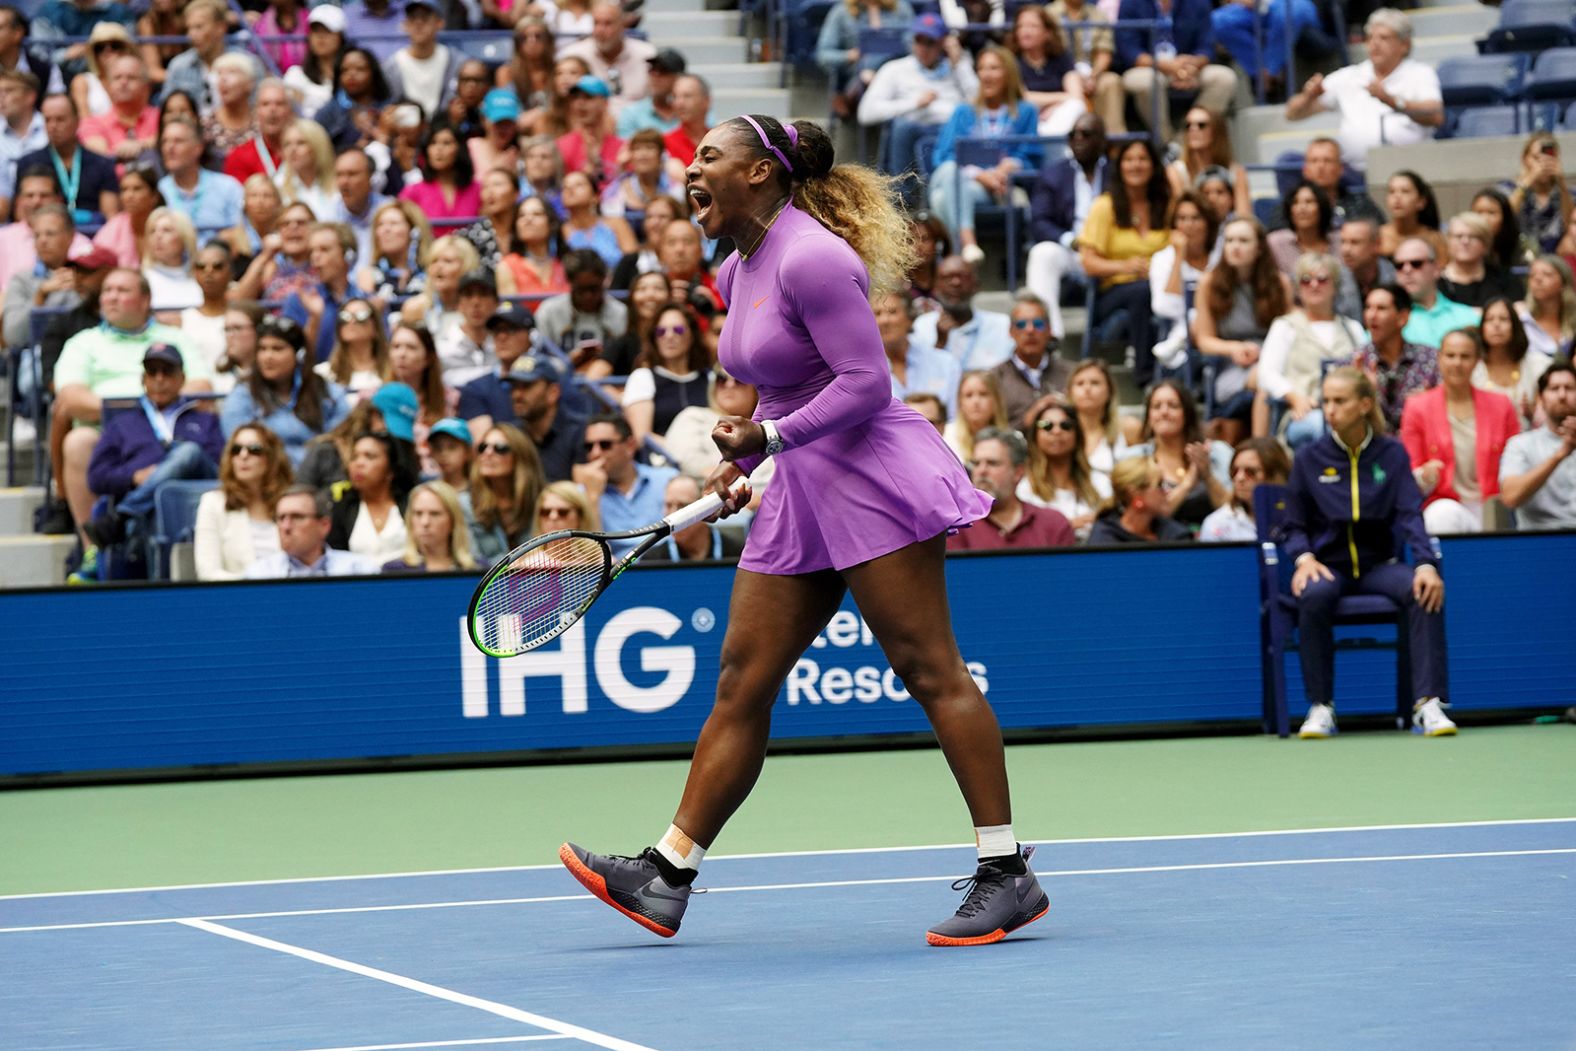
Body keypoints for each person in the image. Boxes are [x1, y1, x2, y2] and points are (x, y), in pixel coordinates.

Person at [560, 113, 1049, 948]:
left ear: (758, 174)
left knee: (930, 669)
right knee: (742, 679)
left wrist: (771, 440)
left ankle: (1007, 871)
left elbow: (866, 381)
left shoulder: (815, 256)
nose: (691, 168)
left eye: (708, 155)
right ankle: (668, 873)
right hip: (800, 487)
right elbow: (773, 385)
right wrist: (745, 456)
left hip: (870, 479)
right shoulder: (737, 266)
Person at [1284, 366, 1456, 738]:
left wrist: (1425, 564)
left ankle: (1428, 704)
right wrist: (1304, 558)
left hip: (1380, 567)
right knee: (1312, 595)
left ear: (1364, 405)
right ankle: (1320, 706)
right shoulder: (1308, 459)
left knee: (1423, 590)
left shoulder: (1391, 455)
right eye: (1326, 401)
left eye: (1339, 401)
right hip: (1329, 568)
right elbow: (1291, 526)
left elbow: (1411, 514)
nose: (1330, 409)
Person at [82, 343, 225, 549]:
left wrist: (174, 465)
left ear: (181, 379)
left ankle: (123, 516)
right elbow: (96, 477)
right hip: (152, 511)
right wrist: (133, 477)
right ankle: (134, 517)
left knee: (188, 451)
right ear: (143, 379)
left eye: (167, 372)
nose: (159, 379)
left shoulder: (205, 419)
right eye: (152, 372)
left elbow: (222, 464)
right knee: (161, 498)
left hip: (198, 496)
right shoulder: (122, 424)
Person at [1283, 8, 1441, 173]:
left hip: (1408, 171)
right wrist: (1308, 96)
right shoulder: (1348, 76)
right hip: (1353, 172)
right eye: (1370, 37)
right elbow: (1292, 114)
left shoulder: (1420, 73)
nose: (1375, 43)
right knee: (1288, 162)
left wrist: (1391, 101)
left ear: (1404, 45)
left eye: (1384, 37)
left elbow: (1436, 116)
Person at [926, 45, 1041, 262]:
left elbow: (1032, 156)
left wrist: (1010, 165)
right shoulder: (964, 111)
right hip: (959, 177)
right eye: (981, 69)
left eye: (993, 68)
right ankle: (968, 242)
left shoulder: (1026, 111)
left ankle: (957, 259)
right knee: (951, 170)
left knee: (941, 200)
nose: (986, 75)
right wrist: (978, 174)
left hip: (994, 187)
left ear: (1009, 73)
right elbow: (943, 156)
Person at [1400, 328, 1519, 535]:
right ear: (1439, 358)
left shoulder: (1502, 405)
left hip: (1493, 507)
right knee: (1442, 515)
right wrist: (1425, 475)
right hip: (1444, 503)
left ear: (1477, 361)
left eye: (1465, 356)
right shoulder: (1417, 407)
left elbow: (1517, 461)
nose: (1457, 363)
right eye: (1450, 355)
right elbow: (1411, 471)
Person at [1078, 137, 1170, 385]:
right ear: (1119, 167)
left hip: (1161, 286)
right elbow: (1088, 263)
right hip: (1113, 292)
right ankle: (1146, 375)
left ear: (1154, 166)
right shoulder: (1104, 206)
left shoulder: (1166, 205)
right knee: (1141, 292)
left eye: (1142, 159)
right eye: (1129, 160)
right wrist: (1125, 266)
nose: (1136, 165)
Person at [1194, 217, 1291, 443]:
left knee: (1268, 379)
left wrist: (1268, 353)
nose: (1235, 246)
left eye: (1243, 240)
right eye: (1229, 240)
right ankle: (1262, 450)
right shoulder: (1209, 283)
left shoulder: (1280, 283)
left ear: (1259, 248)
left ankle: (1265, 447)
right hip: (1231, 366)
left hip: (1273, 358)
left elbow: (1290, 331)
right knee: (1267, 378)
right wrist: (1234, 348)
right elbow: (1204, 339)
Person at [1255, 251, 1365, 447]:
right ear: (1298, 288)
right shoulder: (1285, 326)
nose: (1314, 285)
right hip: (1304, 412)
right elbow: (1267, 374)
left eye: (1322, 279)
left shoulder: (1352, 328)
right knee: (1321, 426)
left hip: (1349, 413)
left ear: (1335, 285)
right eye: (1306, 280)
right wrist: (1294, 397)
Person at [856, 14, 978, 184]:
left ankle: (939, 194)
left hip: (949, 129)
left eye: (930, 42)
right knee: (902, 127)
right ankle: (903, 198)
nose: (923, 48)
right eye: (919, 40)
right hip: (910, 129)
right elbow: (866, 113)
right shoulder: (895, 69)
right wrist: (914, 104)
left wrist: (959, 64)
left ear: (943, 43)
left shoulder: (958, 68)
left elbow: (980, 105)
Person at [220, 314, 350, 466]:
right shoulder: (242, 395)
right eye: (262, 349)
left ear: (298, 355)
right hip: (264, 478)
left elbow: (339, 441)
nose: (268, 356)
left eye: (277, 349)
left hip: (318, 477)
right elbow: (243, 449)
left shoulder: (328, 393)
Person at [1103, 0, 1236, 141]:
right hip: (1147, 68)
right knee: (1148, 81)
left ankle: (1186, 138)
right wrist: (1167, 66)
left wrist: (1193, 65)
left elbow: (1207, 45)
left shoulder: (1198, 2)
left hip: (1189, 66)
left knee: (1224, 78)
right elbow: (1129, 50)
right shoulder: (1131, 3)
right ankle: (1167, 143)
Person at [1024, 112, 1106, 339]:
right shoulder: (1053, 174)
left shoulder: (1117, 173)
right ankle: (1049, 336)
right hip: (1073, 248)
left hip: (1110, 251)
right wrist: (1071, 240)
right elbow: (1039, 221)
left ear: (1102, 140)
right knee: (1042, 253)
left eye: (1086, 134)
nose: (1078, 139)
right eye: (1073, 135)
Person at [1123, 380, 1232, 531]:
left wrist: (1207, 476)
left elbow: (1236, 513)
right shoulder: (1134, 458)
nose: (1164, 412)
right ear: (1148, 416)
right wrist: (1187, 484)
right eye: (1156, 406)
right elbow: (1139, 521)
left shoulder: (1218, 453)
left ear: (1187, 413)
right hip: (1158, 546)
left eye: (1173, 406)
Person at [944, 426, 1074, 550]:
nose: (981, 471)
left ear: (1018, 472)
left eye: (992, 463)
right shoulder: (957, 527)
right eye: (976, 463)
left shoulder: (1053, 524)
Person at [193, 422, 292, 581]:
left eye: (254, 450)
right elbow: (208, 573)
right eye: (236, 450)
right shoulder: (212, 503)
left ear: (272, 457)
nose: (243, 455)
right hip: (237, 598)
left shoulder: (290, 503)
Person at [1018, 396, 1111, 539]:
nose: (1056, 431)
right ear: (1035, 435)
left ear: (1077, 434)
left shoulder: (1100, 482)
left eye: (1066, 425)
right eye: (1046, 425)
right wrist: (1067, 527)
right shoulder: (1024, 487)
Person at [1148, 189, 1218, 377]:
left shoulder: (1220, 257)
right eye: (1182, 218)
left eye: (1196, 218)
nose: (1188, 225)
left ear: (1208, 223)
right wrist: (1179, 256)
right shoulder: (1163, 259)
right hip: (1184, 348)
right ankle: (1181, 339)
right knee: (1195, 314)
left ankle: (1179, 340)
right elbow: (1165, 308)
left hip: (1222, 330)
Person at [1499, 362, 1576, 530]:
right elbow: (1510, 497)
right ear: (1541, 398)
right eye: (1554, 388)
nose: (1562, 395)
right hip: (1538, 542)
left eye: (1569, 388)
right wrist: (1560, 454)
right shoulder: (1521, 445)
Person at [1351, 282, 1436, 434]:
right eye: (1368, 307)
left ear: (1402, 317)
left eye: (1381, 308)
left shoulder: (1430, 359)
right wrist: (1368, 393)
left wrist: (1430, 401)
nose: (1372, 315)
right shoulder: (1355, 362)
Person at [622, 302, 711, 446]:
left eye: (678, 329)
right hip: (663, 462)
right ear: (654, 338)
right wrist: (686, 457)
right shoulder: (643, 378)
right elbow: (643, 437)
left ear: (692, 334)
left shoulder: (710, 378)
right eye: (661, 331)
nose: (669, 336)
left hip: (711, 459)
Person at [282, 222, 369, 364]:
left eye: (324, 250)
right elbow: (293, 362)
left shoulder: (367, 302)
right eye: (312, 251)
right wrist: (315, 319)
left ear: (348, 255)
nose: (315, 257)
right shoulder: (298, 301)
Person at [22, 94, 117, 223]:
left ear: (77, 121)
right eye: (47, 120)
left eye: (60, 119)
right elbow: (22, 215)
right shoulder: (28, 163)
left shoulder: (102, 164)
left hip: (94, 235)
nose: (53, 126)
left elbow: (110, 216)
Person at [245, 484, 376, 578]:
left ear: (324, 525)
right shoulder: (260, 574)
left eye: (297, 517)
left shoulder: (359, 570)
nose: (286, 527)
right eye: (281, 518)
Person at [326, 430, 417, 563]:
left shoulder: (412, 504)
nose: (359, 463)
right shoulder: (342, 508)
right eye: (354, 457)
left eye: (370, 456)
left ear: (391, 470)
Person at [910, 254, 1011, 371]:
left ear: (976, 285)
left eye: (963, 277)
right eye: (947, 277)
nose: (955, 283)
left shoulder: (1002, 326)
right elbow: (918, 380)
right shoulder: (922, 326)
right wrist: (940, 344)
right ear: (935, 287)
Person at [160, 0, 262, 113]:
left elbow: (259, 109)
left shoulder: (248, 64)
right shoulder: (178, 67)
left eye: (198, 27)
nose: (191, 35)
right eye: (189, 28)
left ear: (220, 27)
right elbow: (166, 112)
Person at [462, 421, 542, 563]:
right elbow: (470, 560)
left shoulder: (543, 502)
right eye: (483, 447)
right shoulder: (464, 505)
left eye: (500, 448)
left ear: (520, 456)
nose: (488, 453)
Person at [557, 0, 657, 113]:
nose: (600, 30)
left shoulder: (647, 55)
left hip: (638, 125)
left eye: (608, 23)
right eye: (596, 23)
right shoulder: (573, 55)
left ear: (622, 26)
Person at [3, 203, 79, 347]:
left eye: (50, 233)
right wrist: (40, 296)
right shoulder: (21, 280)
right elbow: (13, 337)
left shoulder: (86, 276)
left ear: (71, 237)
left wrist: (81, 288)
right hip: (34, 361)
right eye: (37, 235)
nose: (42, 241)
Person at [875, 290, 960, 417]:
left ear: (910, 318)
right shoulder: (862, 371)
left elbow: (954, 420)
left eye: (892, 312)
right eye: (877, 313)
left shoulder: (945, 363)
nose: (884, 320)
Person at [987, 291, 1068, 424]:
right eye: (1021, 324)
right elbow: (989, 430)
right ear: (1011, 331)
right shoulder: (994, 378)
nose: (1030, 330)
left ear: (1049, 330)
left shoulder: (1070, 375)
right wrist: (1028, 420)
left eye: (1038, 324)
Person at [154, 115, 241, 231]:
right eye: (165, 141)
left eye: (178, 141)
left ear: (198, 148)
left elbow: (242, 237)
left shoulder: (228, 188)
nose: (169, 148)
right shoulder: (158, 192)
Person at [1007, 6, 1083, 137]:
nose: (1025, 31)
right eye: (1021, 26)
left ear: (1048, 33)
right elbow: (1022, 97)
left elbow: (1076, 95)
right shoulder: (1011, 60)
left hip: (1059, 118)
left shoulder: (1062, 57)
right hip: (1024, 119)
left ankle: (1047, 139)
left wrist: (1054, 109)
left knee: (1077, 106)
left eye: (1033, 26)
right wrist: (1062, 98)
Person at [1392, 237, 1480, 351]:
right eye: (1399, 265)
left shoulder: (1470, 317)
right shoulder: (1385, 321)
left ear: (1436, 269)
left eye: (1416, 263)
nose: (1407, 269)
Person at [535, 247, 628, 353]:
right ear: (570, 283)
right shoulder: (548, 311)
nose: (588, 296)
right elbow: (541, 356)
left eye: (594, 289)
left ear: (604, 281)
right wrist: (568, 362)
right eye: (581, 290)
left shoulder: (620, 313)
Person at [379, 0, 457, 124]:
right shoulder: (391, 66)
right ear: (405, 25)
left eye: (425, 17)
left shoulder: (457, 62)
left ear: (440, 23)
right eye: (412, 17)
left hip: (444, 131)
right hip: (405, 131)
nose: (418, 23)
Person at [639, 474, 747, 562]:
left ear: (706, 508)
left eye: (683, 506)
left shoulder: (739, 554)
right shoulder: (652, 560)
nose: (673, 514)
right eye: (668, 505)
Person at [1198, 438, 1289, 542]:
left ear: (1274, 476)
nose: (1239, 478)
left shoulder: (1297, 518)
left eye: (1250, 472)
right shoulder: (1216, 523)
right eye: (1235, 471)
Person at [1086, 456, 1193, 544]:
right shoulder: (1104, 540)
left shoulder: (1175, 534)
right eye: (1160, 485)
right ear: (1135, 493)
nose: (1167, 491)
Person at [1165, 107, 1250, 217]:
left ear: (1217, 130)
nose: (1193, 129)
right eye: (1188, 125)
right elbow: (1180, 215)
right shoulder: (1175, 172)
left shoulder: (1236, 172)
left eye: (1201, 125)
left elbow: (1244, 217)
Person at [398, 125, 481, 236]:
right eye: (433, 143)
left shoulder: (478, 190)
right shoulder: (412, 192)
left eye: (446, 143)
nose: (439, 149)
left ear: (460, 149)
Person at [77, 54, 157, 169]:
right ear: (108, 86)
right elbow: (99, 158)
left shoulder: (161, 117)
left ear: (146, 86)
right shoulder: (92, 123)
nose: (123, 82)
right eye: (117, 78)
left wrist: (141, 145)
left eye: (131, 77)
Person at [313, 46, 396, 153]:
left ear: (374, 73)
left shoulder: (390, 109)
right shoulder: (327, 113)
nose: (351, 75)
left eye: (360, 69)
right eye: (345, 70)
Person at [383, 480, 478, 573]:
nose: (425, 522)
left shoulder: (477, 569)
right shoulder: (393, 571)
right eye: (418, 513)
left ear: (453, 520)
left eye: (434, 514)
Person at [1504, 132, 1572, 257]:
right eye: (1536, 158)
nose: (1543, 164)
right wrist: (1528, 180)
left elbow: (1570, 224)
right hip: (1517, 260)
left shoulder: (1567, 194)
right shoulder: (1508, 189)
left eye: (1550, 157)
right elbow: (1504, 216)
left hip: (1557, 264)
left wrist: (1562, 183)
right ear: (1524, 159)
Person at [1438, 212, 1521, 309]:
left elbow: (1518, 313)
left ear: (1486, 244)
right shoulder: (1434, 281)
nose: (1465, 241)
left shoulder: (1505, 279)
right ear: (1448, 241)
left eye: (1473, 236)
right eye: (1458, 236)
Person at [359, 199, 431, 305]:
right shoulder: (369, 275)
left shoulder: (431, 273)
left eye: (394, 223)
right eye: (380, 224)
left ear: (414, 231)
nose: (385, 229)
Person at [220, 78, 291, 187]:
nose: (272, 109)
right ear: (256, 111)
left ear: (290, 111)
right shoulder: (239, 157)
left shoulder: (306, 150)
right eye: (265, 104)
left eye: (279, 104)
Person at [316, 298, 392, 400]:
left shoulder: (394, 371)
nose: (351, 322)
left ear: (376, 327)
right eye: (345, 317)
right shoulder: (322, 374)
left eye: (361, 316)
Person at [1066, 358, 1130, 473]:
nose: (1087, 388)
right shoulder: (1059, 431)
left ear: (1109, 391)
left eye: (1095, 383)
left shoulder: (1128, 428)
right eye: (1080, 384)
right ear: (1070, 392)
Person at [283, 5, 346, 119]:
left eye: (327, 31)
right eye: (315, 31)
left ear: (340, 37)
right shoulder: (295, 74)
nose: (320, 37)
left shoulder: (349, 76)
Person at [199, 53, 262, 166]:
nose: (223, 79)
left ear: (250, 83)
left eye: (232, 72)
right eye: (219, 74)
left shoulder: (262, 123)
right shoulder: (205, 124)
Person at [139, 205, 202, 315]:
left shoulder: (202, 276)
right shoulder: (141, 281)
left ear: (185, 237)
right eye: (152, 231)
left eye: (167, 230)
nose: (158, 236)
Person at [0, 69, 45, 220]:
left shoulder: (51, 129)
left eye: (9, 90)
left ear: (30, 97)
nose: (2, 97)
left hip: (45, 213)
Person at [1266, 181, 1331, 282]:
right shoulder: (1275, 242)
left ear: (1322, 207)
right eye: (1295, 202)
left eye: (1309, 202)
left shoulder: (1340, 240)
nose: (1302, 208)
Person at [275, 118, 339, 221]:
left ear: (317, 146)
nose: (293, 150)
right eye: (287, 144)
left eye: (301, 143)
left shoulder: (339, 183)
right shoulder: (278, 186)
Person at [1515, 255, 1576, 362]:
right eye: (1532, 275)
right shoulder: (1520, 317)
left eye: (1547, 274)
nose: (1538, 279)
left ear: (1563, 282)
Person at [1333, 218, 1394, 322]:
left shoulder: (1395, 277)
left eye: (1355, 242)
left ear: (1376, 244)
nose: (1346, 250)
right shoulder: (1334, 281)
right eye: (1343, 242)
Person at [1378, 170, 1447, 263]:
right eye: (1392, 191)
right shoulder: (1378, 237)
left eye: (1405, 191)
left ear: (1421, 201)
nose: (1397, 197)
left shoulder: (1435, 239)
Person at [178, 241, 232, 357]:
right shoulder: (182, 319)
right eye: (201, 267)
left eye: (217, 267)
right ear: (194, 273)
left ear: (231, 272)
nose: (208, 272)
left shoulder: (243, 317)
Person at [944, 368, 1009, 462]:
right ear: (960, 403)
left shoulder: (1011, 439)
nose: (976, 401)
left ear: (996, 401)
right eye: (968, 395)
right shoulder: (947, 437)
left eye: (983, 394)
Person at [70, 23, 130, 119]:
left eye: (114, 46)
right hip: (93, 133)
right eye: (100, 47)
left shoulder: (135, 81)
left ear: (126, 50)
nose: (107, 50)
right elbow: (84, 121)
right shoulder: (83, 81)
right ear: (94, 54)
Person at [661, 73, 711, 177]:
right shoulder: (665, 143)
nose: (679, 103)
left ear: (706, 101)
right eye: (675, 97)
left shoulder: (719, 141)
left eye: (687, 96)